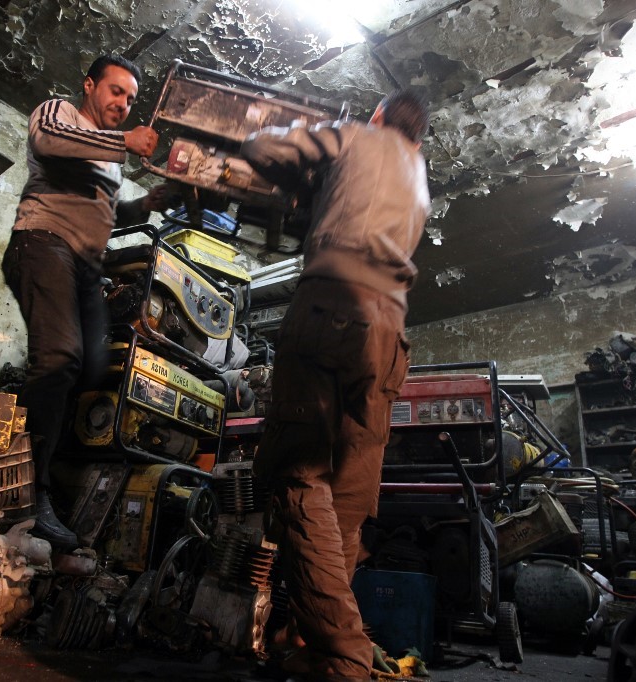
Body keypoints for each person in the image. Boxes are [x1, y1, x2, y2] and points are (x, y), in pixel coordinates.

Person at [240, 90, 431, 681]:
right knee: (346, 499)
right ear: (418, 137)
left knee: (299, 474)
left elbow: (265, 148)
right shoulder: (419, 175)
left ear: (377, 115)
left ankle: (344, 656)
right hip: (389, 335)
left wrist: (304, 144)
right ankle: (310, 642)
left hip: (332, 309)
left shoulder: (357, 134)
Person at [2, 54, 169, 548]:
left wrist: (148, 205)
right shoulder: (60, 114)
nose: (123, 104)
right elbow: (48, 142)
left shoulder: (104, 159)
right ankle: (24, 493)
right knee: (58, 358)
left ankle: (28, 461)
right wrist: (123, 141)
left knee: (94, 367)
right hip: (42, 242)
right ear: (90, 86)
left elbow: (106, 214)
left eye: (131, 99)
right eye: (116, 92)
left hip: (83, 264)